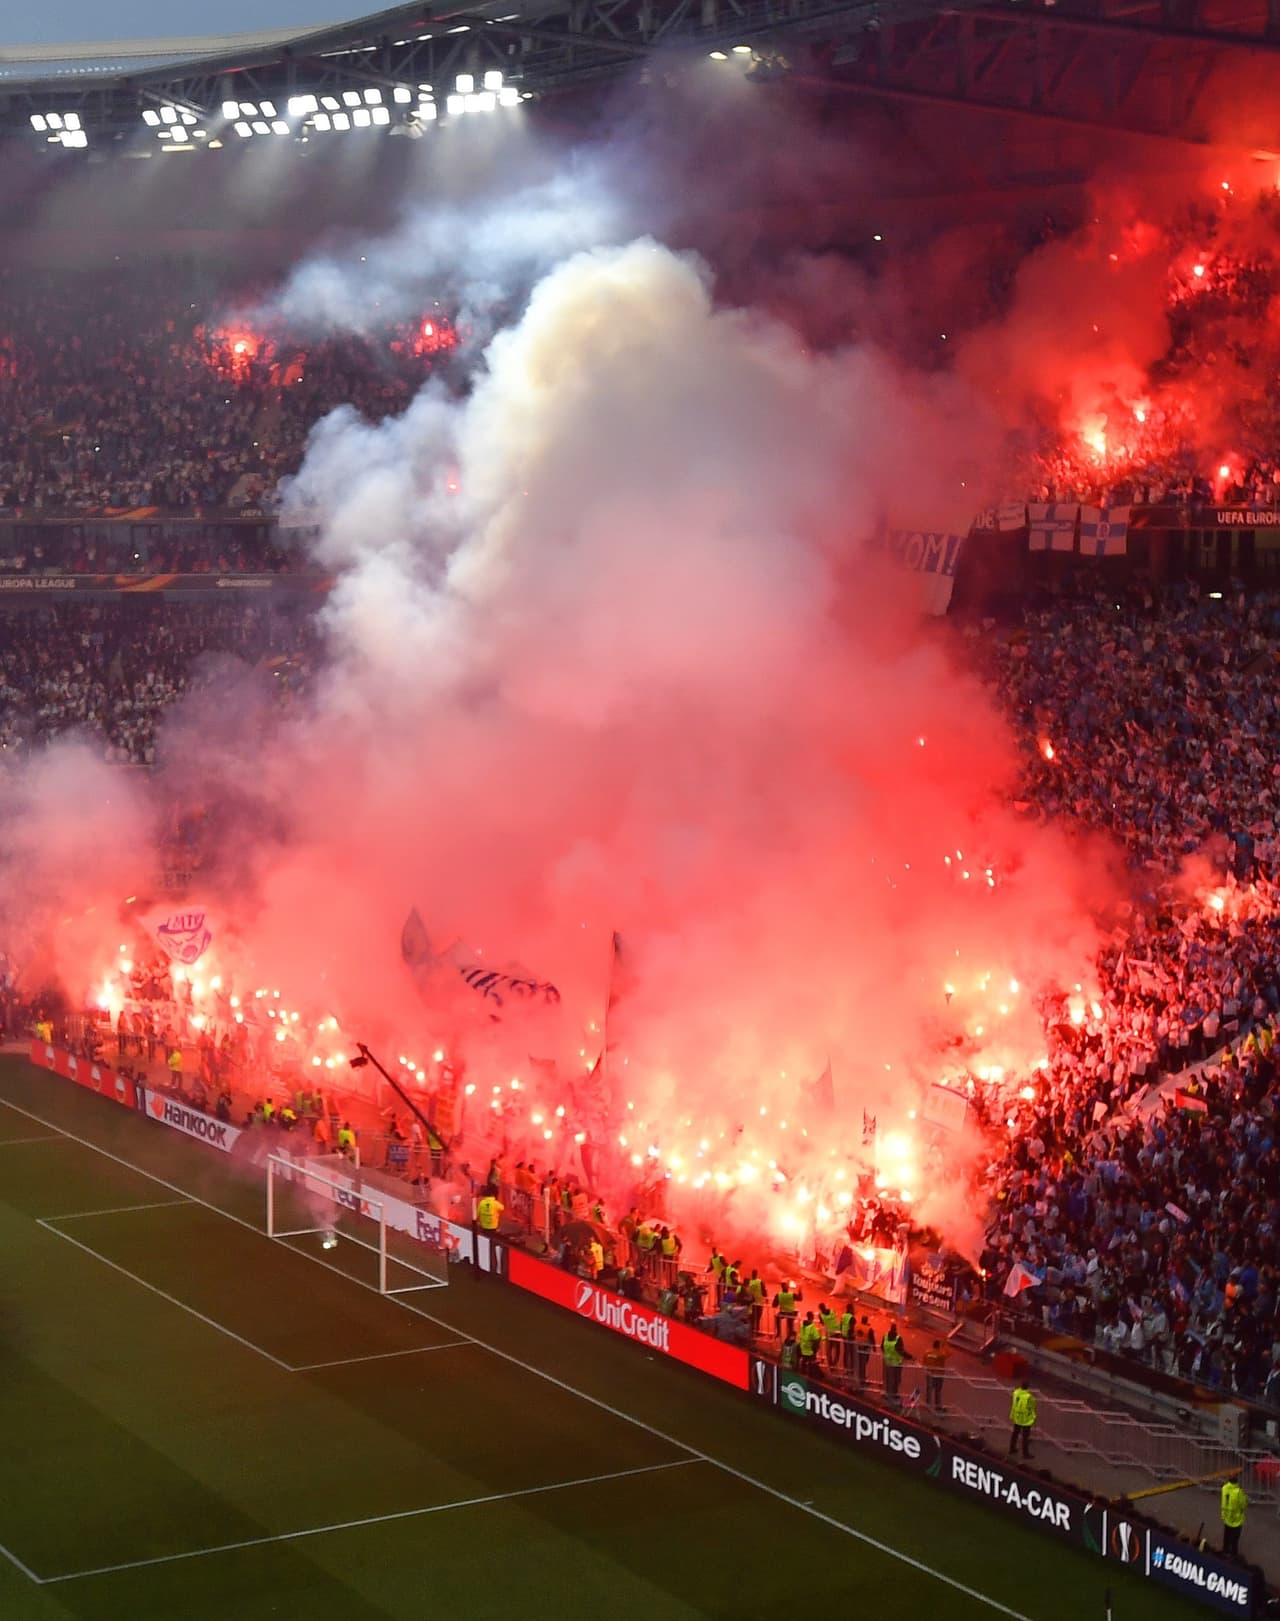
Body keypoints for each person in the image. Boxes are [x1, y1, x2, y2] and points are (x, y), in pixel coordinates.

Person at [1008, 1376, 1037, 1459]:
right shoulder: (1029, 1397)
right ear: (1027, 1386)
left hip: (1017, 1417)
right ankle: (1025, 1454)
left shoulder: (1016, 1392)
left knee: (1015, 1434)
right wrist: (1034, 1417)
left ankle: (1012, 1449)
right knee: (1025, 1437)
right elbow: (1032, 1407)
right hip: (1025, 1420)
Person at [1221, 1473, 1247, 1559]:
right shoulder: (1238, 1492)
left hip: (1226, 1516)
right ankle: (1233, 1555)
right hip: (1236, 1519)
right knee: (1235, 1539)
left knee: (1226, 1536)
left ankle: (1225, 1551)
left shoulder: (1224, 1488)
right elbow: (1243, 1504)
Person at [881, 1319, 907, 1400]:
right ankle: (894, 1394)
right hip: (896, 1363)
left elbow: (882, 1347)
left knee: (888, 1378)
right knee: (895, 1379)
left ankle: (887, 1393)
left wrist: (887, 1354)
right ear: (895, 1329)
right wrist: (909, 1357)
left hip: (887, 1361)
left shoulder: (885, 1336)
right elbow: (901, 1350)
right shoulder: (898, 1338)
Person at [923, 1339, 951, 1409]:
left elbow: (924, 1362)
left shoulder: (927, 1353)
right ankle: (937, 1406)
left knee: (929, 1390)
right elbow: (949, 1354)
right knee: (937, 1391)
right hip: (938, 1375)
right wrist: (944, 1347)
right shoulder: (941, 1354)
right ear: (938, 1346)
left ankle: (928, 1404)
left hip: (929, 1374)